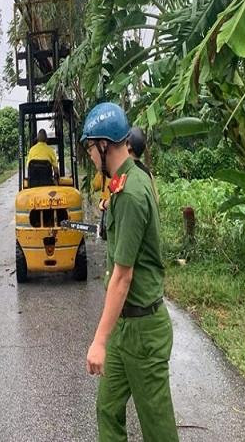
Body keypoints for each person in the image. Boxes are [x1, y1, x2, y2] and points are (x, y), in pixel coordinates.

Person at [82, 102, 178, 442]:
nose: (91, 156)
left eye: (91, 148)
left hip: (144, 331)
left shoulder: (133, 193)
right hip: (125, 326)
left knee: (158, 428)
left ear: (105, 145)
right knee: (107, 408)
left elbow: (123, 278)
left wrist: (98, 340)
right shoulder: (124, 183)